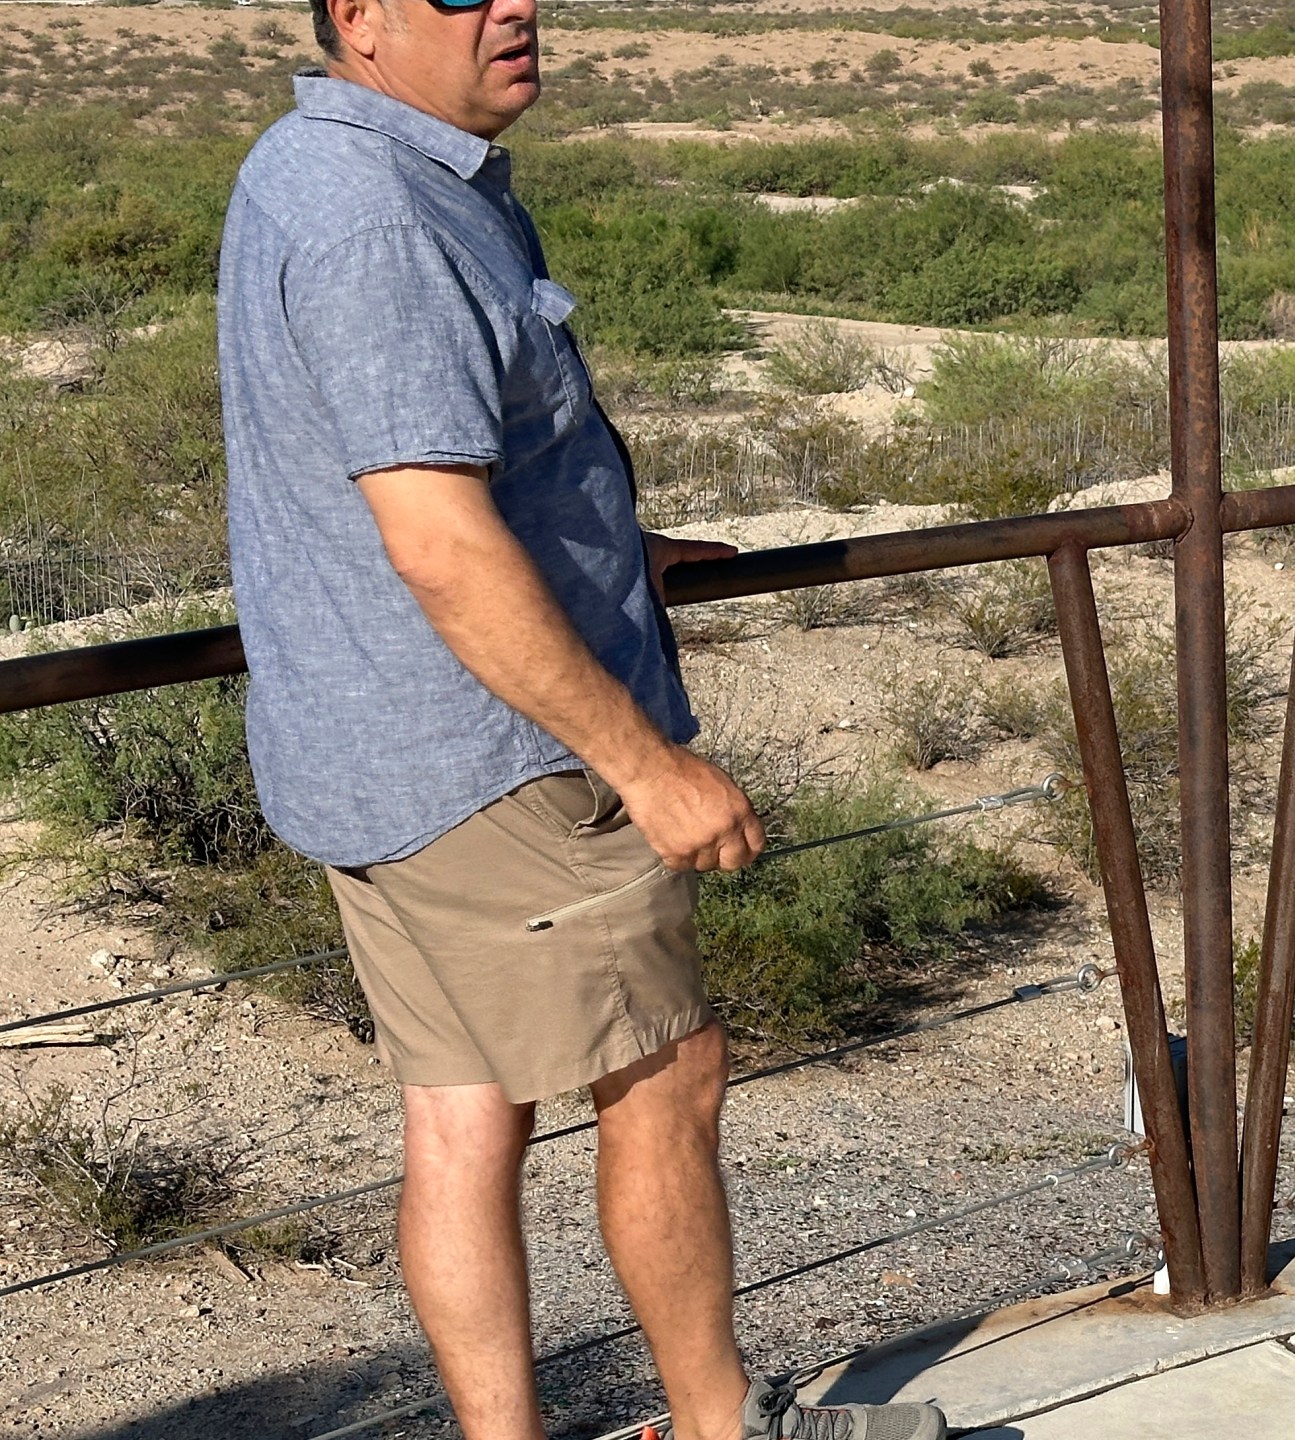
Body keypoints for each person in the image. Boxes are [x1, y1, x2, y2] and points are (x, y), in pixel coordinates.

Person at [216, 2, 946, 1436]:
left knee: (462, 1113)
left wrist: (613, 540)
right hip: (501, 769)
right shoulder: (383, 218)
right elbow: (434, 536)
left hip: (374, 755)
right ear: (359, 19)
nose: (515, 10)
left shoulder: (318, 170)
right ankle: (723, 1429)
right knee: (666, 1078)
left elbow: (437, 461)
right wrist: (644, 762)